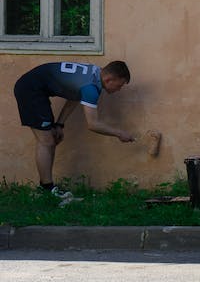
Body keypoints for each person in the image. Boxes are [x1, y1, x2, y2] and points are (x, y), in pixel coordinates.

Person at [13, 60, 135, 193]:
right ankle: (46, 189)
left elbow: (74, 96)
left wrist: (59, 124)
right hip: (30, 89)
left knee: (50, 139)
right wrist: (119, 133)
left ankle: (46, 187)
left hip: (36, 89)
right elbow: (93, 124)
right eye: (120, 85)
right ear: (109, 79)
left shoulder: (94, 73)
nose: (119, 89)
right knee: (46, 141)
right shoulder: (91, 88)